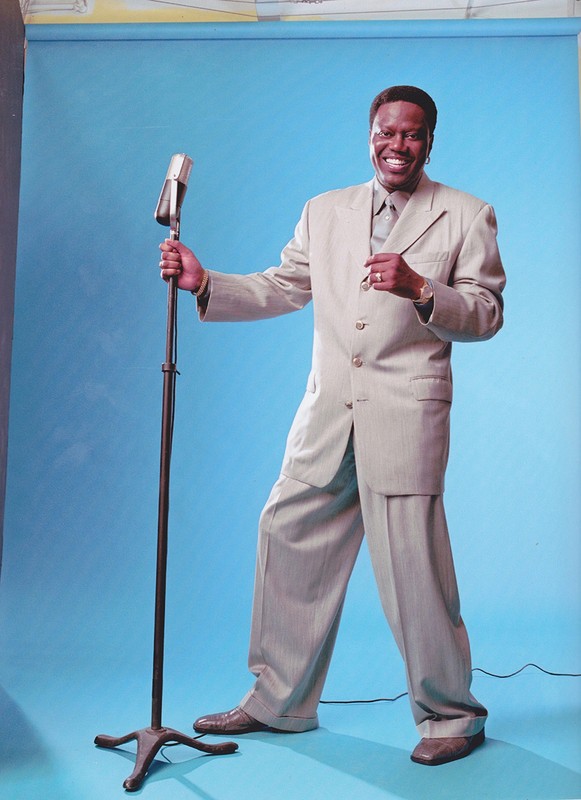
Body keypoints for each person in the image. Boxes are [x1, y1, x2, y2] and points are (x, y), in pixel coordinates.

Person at [158, 85, 505, 766]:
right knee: (286, 534)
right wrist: (206, 282)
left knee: (414, 573)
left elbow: (486, 313)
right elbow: (284, 285)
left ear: (429, 142)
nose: (397, 145)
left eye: (411, 134)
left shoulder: (466, 214)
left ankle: (452, 717)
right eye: (386, 132)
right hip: (327, 417)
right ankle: (278, 701)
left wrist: (420, 289)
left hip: (403, 417)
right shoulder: (325, 210)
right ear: (369, 136)